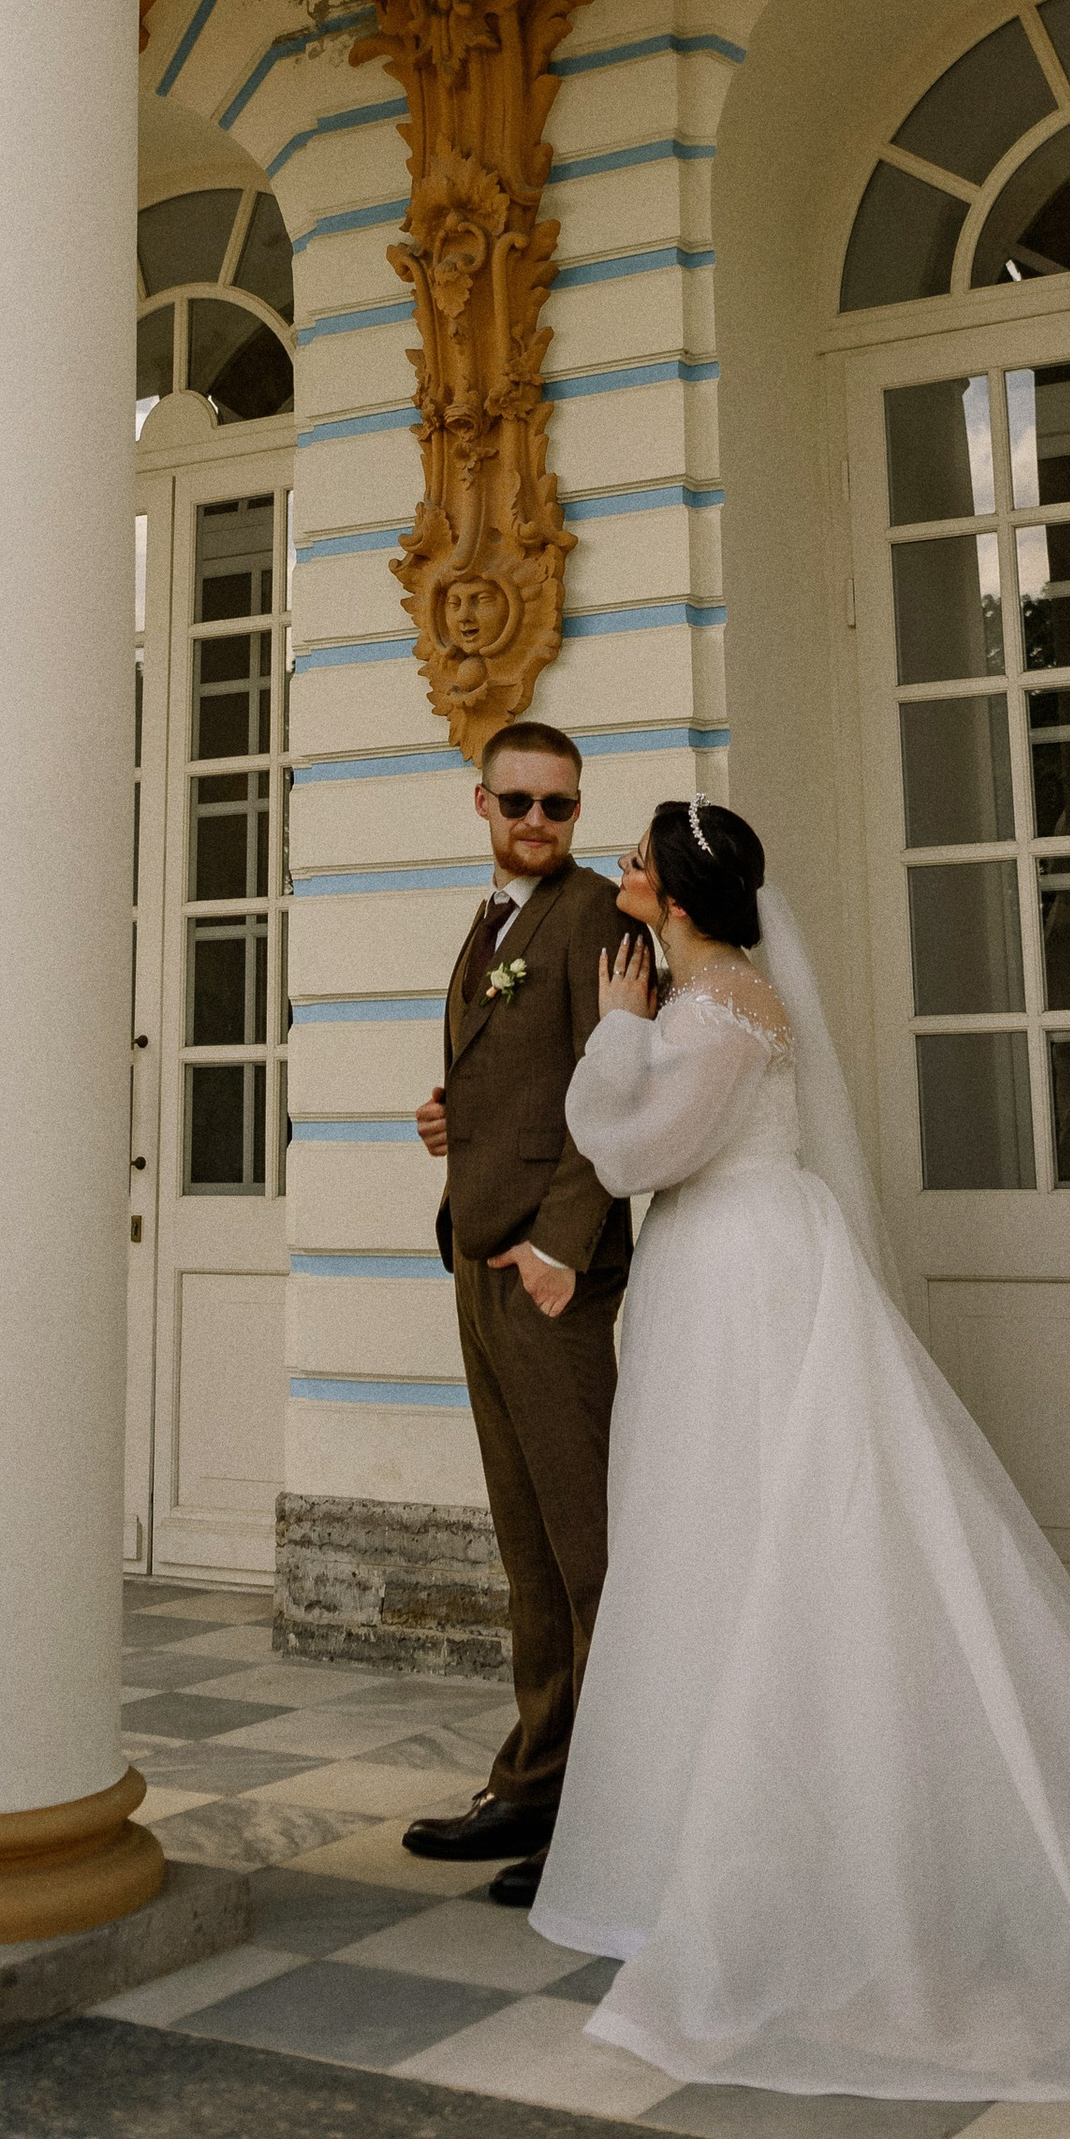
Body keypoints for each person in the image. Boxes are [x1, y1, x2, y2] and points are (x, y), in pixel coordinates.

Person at [532, 796, 1070, 2098]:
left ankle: (765, 1853)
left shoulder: (721, 1004)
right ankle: (684, 1835)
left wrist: (616, 1029)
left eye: (635, 862)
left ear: (674, 898)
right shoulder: (720, 991)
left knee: (752, 1534)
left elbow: (635, 1145)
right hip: (730, 1269)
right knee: (702, 1538)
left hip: (746, 1280)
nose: (619, 874)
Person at [406, 720, 632, 1909]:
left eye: (559, 806)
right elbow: (516, 1071)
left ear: (576, 810)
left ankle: (604, 1809)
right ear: (480, 802)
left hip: (550, 1273)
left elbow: (612, 1086)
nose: (538, 824)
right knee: (525, 1548)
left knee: (588, 1552)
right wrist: (455, 1123)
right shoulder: (492, 915)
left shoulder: (594, 913)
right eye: (519, 803)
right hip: (477, 1258)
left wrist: (558, 1244)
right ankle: (533, 1778)